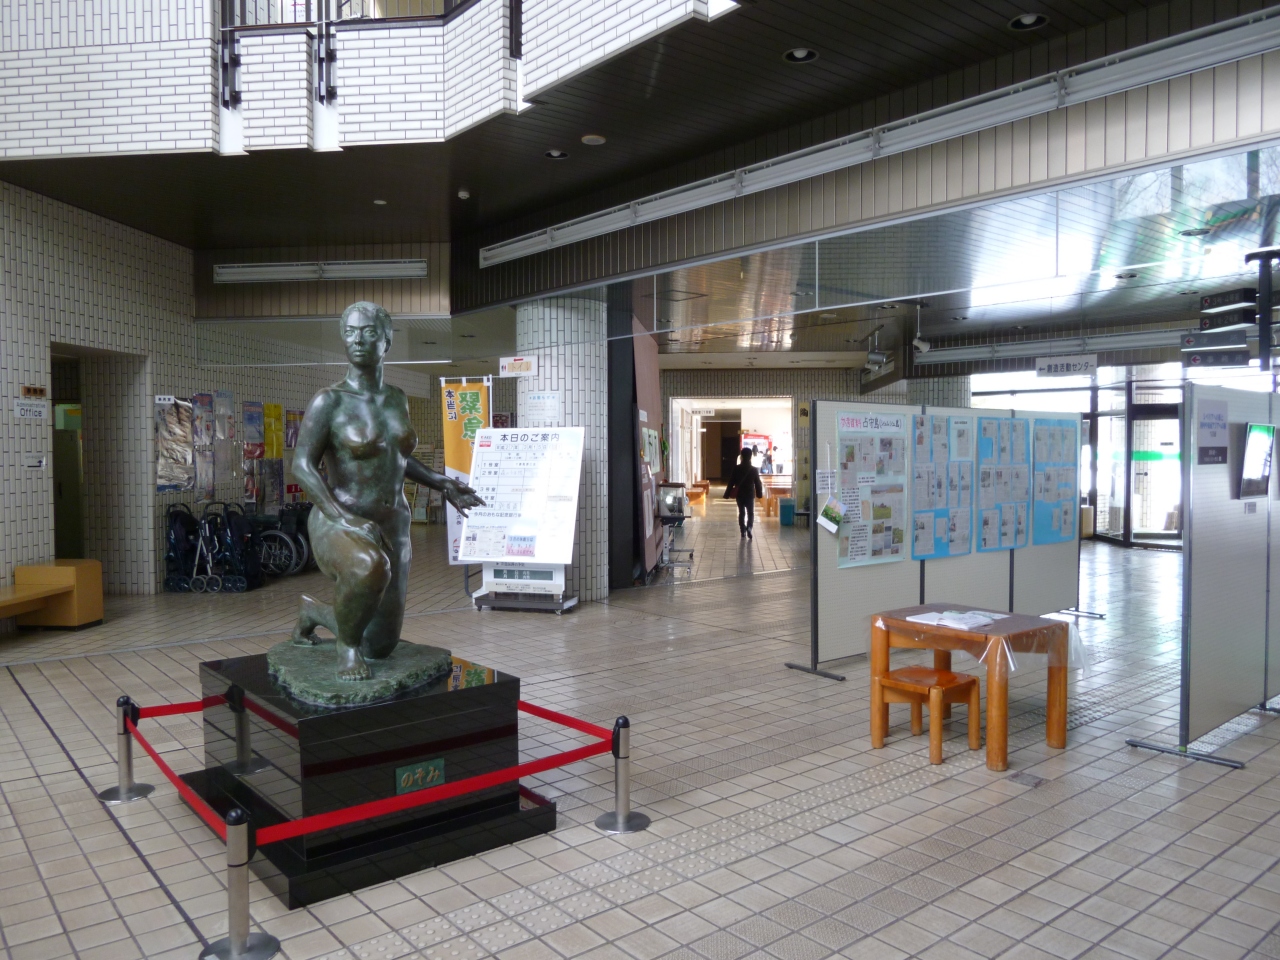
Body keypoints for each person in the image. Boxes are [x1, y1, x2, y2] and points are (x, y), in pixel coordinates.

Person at [290, 301, 485, 680]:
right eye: (350, 332)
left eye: (368, 332)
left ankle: (314, 612)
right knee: (369, 567)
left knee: (380, 644)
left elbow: (396, 458)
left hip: (392, 522)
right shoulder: (329, 400)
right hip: (340, 518)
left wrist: (443, 482)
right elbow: (301, 465)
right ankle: (346, 649)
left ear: (387, 341)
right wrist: (342, 518)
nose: (358, 340)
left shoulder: (397, 398)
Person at [725, 447, 764, 540]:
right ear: (750, 457)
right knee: (750, 513)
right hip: (750, 494)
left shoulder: (736, 468)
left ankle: (742, 530)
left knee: (741, 512)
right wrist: (759, 494)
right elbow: (758, 483)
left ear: (741, 456)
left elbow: (731, 481)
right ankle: (749, 528)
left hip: (740, 494)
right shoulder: (753, 469)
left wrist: (727, 493)